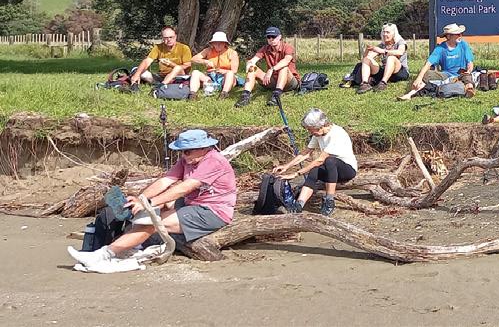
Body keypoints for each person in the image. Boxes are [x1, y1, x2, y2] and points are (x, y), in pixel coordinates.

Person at [67, 129, 236, 269]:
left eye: (187, 151)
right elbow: (165, 181)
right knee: (157, 207)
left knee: (153, 222)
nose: (184, 155)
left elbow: (185, 188)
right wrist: (141, 198)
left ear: (203, 148)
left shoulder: (214, 162)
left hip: (212, 212)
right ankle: (131, 241)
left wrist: (149, 203)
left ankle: (102, 255)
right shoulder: (188, 160)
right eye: (182, 151)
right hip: (190, 204)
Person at [271, 109, 357, 216]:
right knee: (314, 170)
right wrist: (286, 166)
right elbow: (306, 153)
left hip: (348, 170)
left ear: (320, 126)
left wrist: (296, 174)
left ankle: (329, 201)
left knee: (329, 161)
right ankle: (299, 205)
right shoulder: (318, 134)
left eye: (310, 129)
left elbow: (320, 160)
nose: (310, 132)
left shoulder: (336, 134)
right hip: (331, 171)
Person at [398, 23, 475, 101]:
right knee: (427, 74)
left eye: (461, 34)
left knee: (467, 76)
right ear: (448, 36)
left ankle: (469, 89)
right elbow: (428, 64)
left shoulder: (463, 44)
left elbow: (470, 62)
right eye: (457, 34)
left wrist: (469, 70)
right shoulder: (440, 48)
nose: (460, 36)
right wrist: (419, 78)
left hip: (462, 74)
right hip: (446, 75)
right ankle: (410, 94)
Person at [235, 26, 299, 108]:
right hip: (273, 80)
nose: (271, 39)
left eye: (273, 37)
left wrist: (271, 69)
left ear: (279, 37)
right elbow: (253, 60)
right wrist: (249, 64)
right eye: (269, 37)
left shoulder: (287, 47)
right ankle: (245, 96)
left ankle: (276, 96)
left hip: (290, 82)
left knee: (284, 68)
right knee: (252, 68)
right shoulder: (265, 48)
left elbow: (286, 60)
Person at [128, 26, 193, 88]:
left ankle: (162, 85)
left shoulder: (184, 48)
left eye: (171, 37)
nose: (169, 40)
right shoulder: (158, 47)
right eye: (166, 38)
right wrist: (137, 74)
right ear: (162, 38)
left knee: (178, 68)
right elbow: (147, 61)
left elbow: (187, 66)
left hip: (178, 76)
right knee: (137, 70)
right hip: (161, 76)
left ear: (176, 36)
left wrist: (171, 64)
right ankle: (158, 83)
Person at [355, 23, 409, 94]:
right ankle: (364, 83)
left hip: (399, 72)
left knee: (391, 58)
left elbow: (400, 52)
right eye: (383, 32)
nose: (385, 34)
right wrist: (368, 50)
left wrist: (383, 51)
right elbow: (366, 59)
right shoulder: (382, 45)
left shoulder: (401, 42)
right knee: (367, 59)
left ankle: (383, 82)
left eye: (388, 32)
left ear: (394, 34)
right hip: (385, 70)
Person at [187, 31, 242, 99]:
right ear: (212, 43)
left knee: (230, 73)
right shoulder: (208, 50)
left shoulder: (232, 53)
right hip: (210, 77)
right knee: (195, 72)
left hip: (225, 78)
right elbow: (193, 59)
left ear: (225, 43)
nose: (218, 44)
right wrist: (205, 61)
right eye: (216, 42)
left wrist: (223, 71)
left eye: (221, 42)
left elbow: (234, 71)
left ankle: (224, 93)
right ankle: (192, 94)